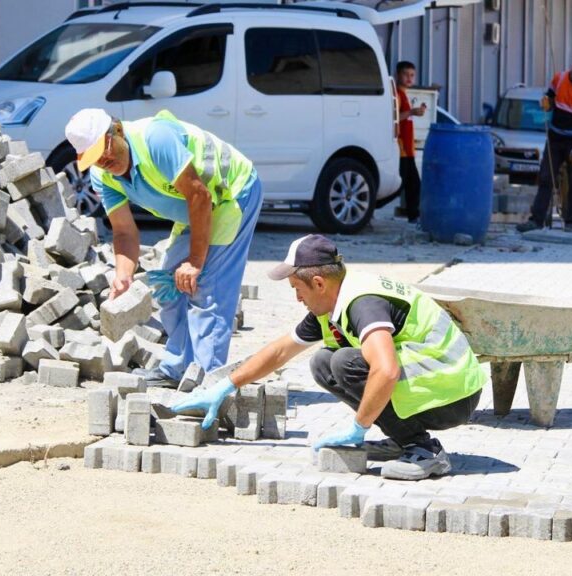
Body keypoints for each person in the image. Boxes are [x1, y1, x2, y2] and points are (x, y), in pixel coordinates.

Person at [171, 234, 487, 481]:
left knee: (345, 363)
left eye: (297, 288)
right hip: (435, 383)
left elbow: (387, 370)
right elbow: (281, 351)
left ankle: (426, 451)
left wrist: (358, 427)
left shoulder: (362, 302)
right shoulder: (331, 302)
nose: (296, 297)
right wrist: (226, 385)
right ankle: (405, 440)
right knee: (322, 363)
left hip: (453, 392)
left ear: (319, 283)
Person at [65, 108, 263, 386]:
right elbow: (123, 231)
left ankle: (209, 380)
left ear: (118, 130)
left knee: (207, 289)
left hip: (232, 193)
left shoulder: (155, 140)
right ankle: (177, 368)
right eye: (95, 158)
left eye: (104, 150)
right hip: (194, 207)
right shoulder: (104, 177)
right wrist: (124, 273)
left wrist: (195, 262)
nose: (104, 160)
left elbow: (200, 195)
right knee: (167, 285)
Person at [517, 56, 572, 233]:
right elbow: (550, 100)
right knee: (546, 177)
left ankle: (571, 221)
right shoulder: (559, 78)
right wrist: (546, 103)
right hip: (555, 138)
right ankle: (537, 220)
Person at [395, 61, 426, 223]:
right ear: (398, 75)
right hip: (401, 150)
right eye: (406, 74)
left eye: (412, 75)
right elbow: (394, 119)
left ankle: (413, 215)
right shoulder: (397, 95)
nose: (409, 78)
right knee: (402, 185)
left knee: (412, 184)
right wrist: (412, 112)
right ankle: (413, 215)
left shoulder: (405, 95)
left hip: (408, 149)